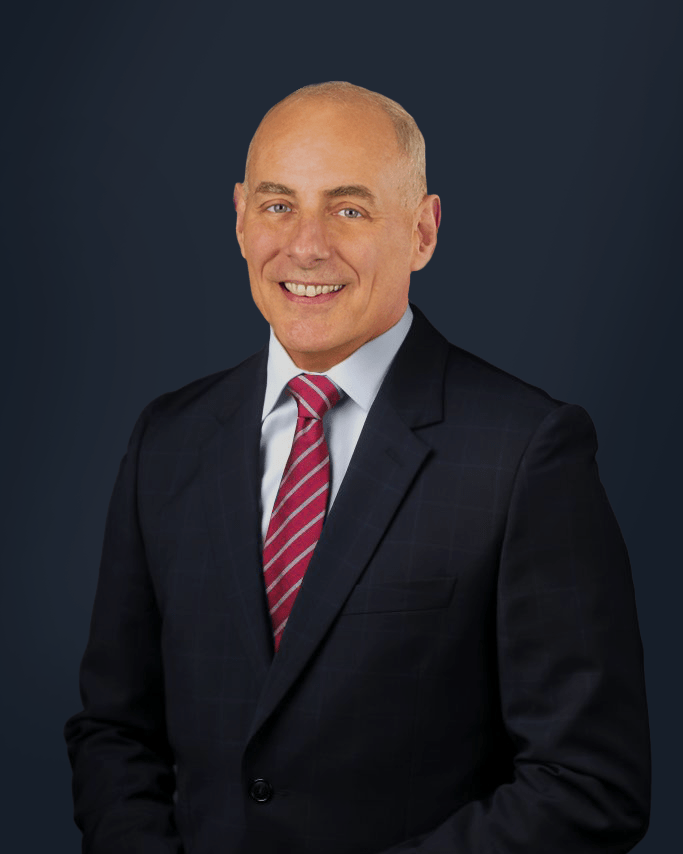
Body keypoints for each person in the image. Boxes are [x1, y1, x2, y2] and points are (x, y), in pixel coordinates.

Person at [65, 82, 650, 854]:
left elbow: (587, 783)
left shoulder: (525, 452)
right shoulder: (168, 439)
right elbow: (114, 731)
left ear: (422, 231)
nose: (305, 246)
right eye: (278, 205)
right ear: (239, 218)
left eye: (348, 209)